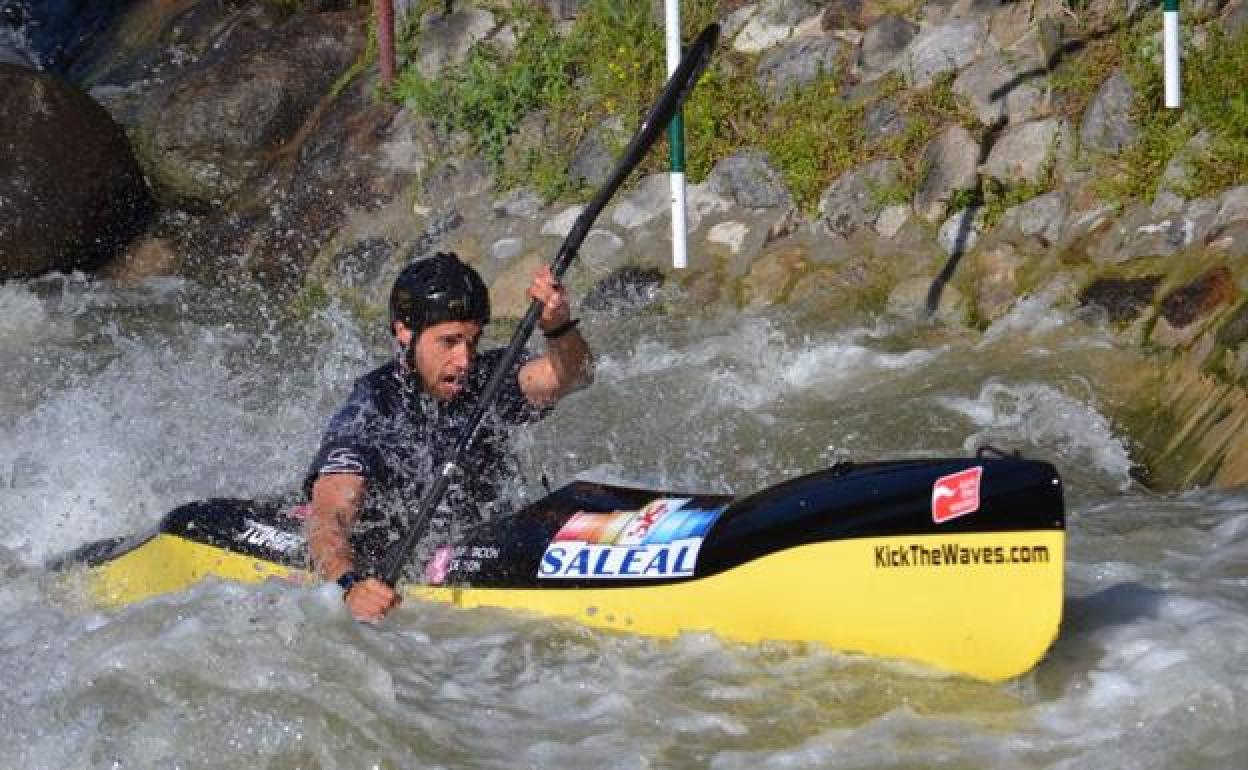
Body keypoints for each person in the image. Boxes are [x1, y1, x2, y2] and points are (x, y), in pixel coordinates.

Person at [303, 252, 592, 622]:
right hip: (406, 555)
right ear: (405, 332)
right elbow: (330, 516)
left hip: (492, 539)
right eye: (449, 342)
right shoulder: (373, 408)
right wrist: (348, 586)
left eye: (472, 341)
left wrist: (558, 327)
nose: (464, 361)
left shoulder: (487, 378)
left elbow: (572, 376)